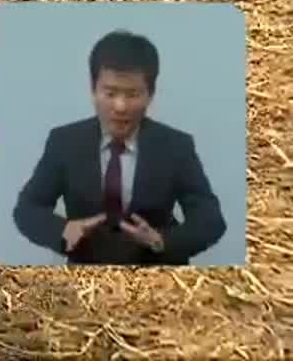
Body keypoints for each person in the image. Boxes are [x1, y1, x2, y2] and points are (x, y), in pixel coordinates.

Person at [12, 29, 226, 266]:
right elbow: (27, 208)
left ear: (150, 94)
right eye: (110, 93)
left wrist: (162, 241)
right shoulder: (64, 141)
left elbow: (210, 220)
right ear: (94, 90)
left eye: (133, 94)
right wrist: (62, 230)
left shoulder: (176, 146)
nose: (121, 106)